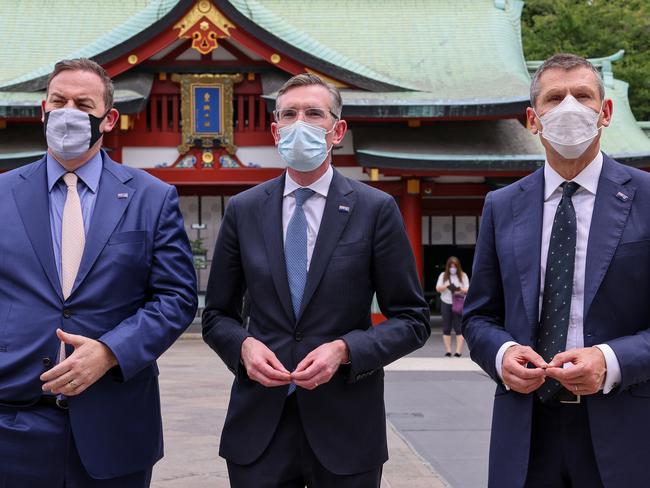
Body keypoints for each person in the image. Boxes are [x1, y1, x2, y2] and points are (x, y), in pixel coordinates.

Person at [202, 73, 430, 487]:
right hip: (259, 426)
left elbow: (413, 319)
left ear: (337, 130)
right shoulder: (244, 210)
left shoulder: (374, 209)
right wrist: (243, 346)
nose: (300, 123)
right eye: (289, 114)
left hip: (346, 423)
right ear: (275, 131)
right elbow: (217, 314)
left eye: (313, 113)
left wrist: (346, 350)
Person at [0, 58, 197, 487]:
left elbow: (176, 297)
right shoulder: (2, 194)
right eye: (59, 100)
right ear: (42, 111)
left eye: (83, 104)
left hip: (116, 420)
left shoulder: (152, 196)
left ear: (108, 119)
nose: (68, 111)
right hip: (13, 420)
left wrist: (111, 350)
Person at [462, 52, 650, 488]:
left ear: (604, 112)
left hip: (624, 423)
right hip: (527, 429)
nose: (569, 107)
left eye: (582, 95)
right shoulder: (502, 206)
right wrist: (503, 353)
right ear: (533, 119)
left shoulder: (645, 197)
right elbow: (479, 316)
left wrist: (610, 360)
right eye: (555, 98)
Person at [435, 256, 469, 357]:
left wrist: (460, 290)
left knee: (458, 327)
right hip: (446, 302)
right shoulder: (443, 275)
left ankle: (458, 351)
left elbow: (468, 288)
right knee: (446, 327)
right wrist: (446, 286)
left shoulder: (463, 275)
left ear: (458, 267)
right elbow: (438, 288)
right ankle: (448, 350)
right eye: (451, 266)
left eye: (454, 266)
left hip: (458, 302)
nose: (452, 268)